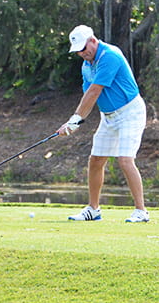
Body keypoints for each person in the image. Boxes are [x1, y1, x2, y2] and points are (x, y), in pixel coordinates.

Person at [57, 25, 149, 223]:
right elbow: (87, 96)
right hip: (108, 117)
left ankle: (141, 211)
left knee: (125, 160)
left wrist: (74, 121)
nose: (82, 53)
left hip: (130, 112)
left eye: (84, 48)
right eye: (78, 51)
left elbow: (95, 91)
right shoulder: (86, 66)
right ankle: (93, 209)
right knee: (96, 160)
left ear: (92, 40)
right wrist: (76, 121)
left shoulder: (110, 56)